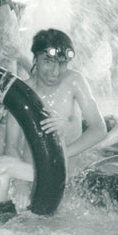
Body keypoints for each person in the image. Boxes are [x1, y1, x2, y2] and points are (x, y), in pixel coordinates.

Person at [23, 29, 107, 175]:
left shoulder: (75, 82)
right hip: (32, 173)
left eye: (62, 63)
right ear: (35, 59)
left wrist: (61, 154)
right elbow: (11, 146)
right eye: (48, 61)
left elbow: (99, 129)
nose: (55, 72)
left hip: (72, 174)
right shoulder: (23, 91)